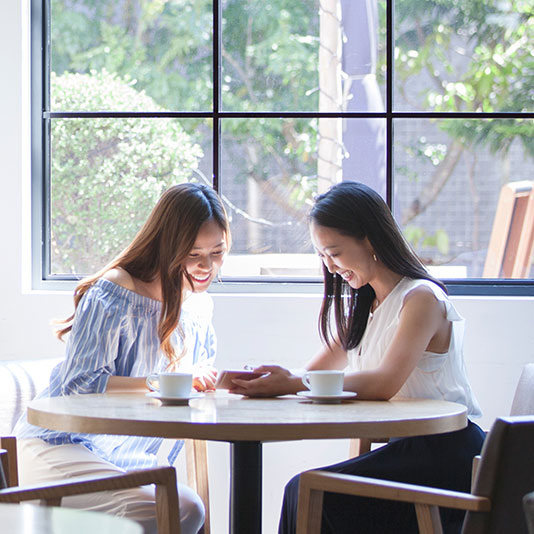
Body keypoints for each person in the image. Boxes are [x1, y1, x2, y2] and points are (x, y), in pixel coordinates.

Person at [230, 181, 484, 534]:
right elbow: (314, 372)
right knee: (308, 492)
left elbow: (383, 383)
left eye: (334, 253)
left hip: (447, 456)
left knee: (305, 492)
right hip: (409, 452)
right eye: (322, 256)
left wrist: (291, 382)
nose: (331, 268)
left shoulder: (420, 299)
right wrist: (268, 379)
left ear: (370, 239)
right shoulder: (366, 306)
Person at [14, 182, 231, 534]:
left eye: (217, 252)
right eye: (194, 254)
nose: (207, 265)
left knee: (189, 507)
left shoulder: (197, 307)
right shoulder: (115, 291)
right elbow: (79, 385)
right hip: (58, 445)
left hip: (120, 457)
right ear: (168, 245)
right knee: (168, 512)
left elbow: (191, 388)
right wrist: (161, 383)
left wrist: (220, 383)